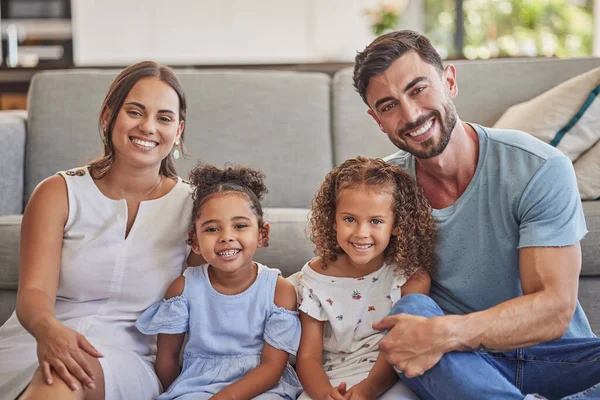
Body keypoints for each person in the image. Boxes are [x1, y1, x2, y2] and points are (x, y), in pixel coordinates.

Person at [352, 30, 600, 399]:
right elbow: (332, 271)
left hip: (557, 359)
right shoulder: (382, 189)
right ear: (377, 120)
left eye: (418, 89)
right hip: (460, 362)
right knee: (412, 311)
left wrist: (447, 333)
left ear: (449, 81)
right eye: (389, 106)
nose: (411, 114)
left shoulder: (538, 167)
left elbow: (553, 310)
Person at [0, 61, 196, 400]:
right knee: (62, 369)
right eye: (135, 112)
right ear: (108, 117)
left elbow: (208, 302)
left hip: (127, 360)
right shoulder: (58, 192)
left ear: (178, 131)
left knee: (67, 376)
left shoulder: (195, 207)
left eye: (163, 118)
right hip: (36, 343)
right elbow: (33, 293)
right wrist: (50, 332)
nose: (148, 127)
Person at [136, 162, 303, 400]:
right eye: (212, 229)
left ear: (262, 234)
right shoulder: (183, 288)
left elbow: (272, 368)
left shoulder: (279, 291)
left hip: (264, 387)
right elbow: (167, 359)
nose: (226, 237)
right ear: (194, 241)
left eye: (240, 226)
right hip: (196, 385)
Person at [290, 157, 436, 400]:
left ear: (397, 225)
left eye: (376, 221)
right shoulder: (314, 279)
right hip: (329, 379)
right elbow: (308, 357)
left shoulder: (409, 278)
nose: (361, 233)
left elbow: (403, 346)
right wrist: (324, 393)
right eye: (349, 219)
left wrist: (369, 389)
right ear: (333, 220)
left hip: (389, 377)